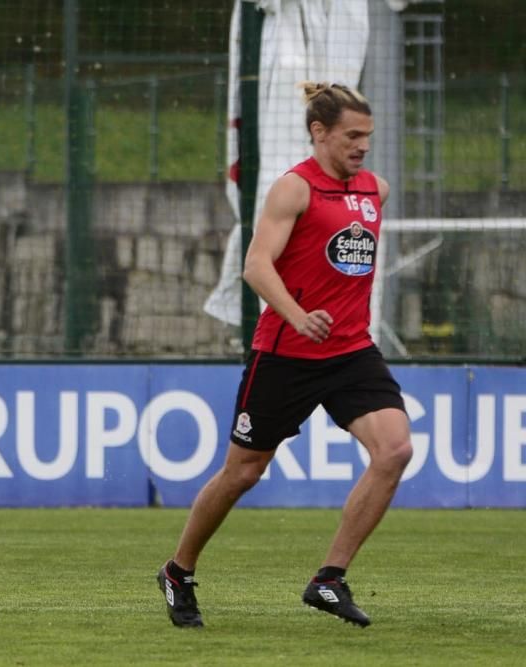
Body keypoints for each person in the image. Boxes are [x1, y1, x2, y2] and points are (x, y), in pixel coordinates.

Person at [158, 82, 412, 628]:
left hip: (351, 352)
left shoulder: (375, 190)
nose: (363, 145)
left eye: (368, 135)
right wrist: (299, 317)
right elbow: (256, 266)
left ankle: (329, 579)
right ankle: (179, 570)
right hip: (286, 353)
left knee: (393, 452)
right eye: (352, 135)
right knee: (243, 473)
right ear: (319, 133)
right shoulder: (293, 190)